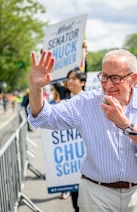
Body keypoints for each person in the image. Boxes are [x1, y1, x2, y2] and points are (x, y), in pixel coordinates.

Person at [28, 49, 137, 212]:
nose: (108, 85)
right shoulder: (86, 102)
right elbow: (45, 117)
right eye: (104, 77)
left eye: (116, 78)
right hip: (96, 194)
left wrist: (124, 124)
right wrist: (35, 89)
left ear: (132, 79)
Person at [60, 67, 87, 211]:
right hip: (72, 157)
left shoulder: (89, 101)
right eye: (68, 78)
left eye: (74, 78)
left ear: (82, 82)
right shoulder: (63, 103)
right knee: (76, 198)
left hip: (89, 154)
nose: (70, 81)